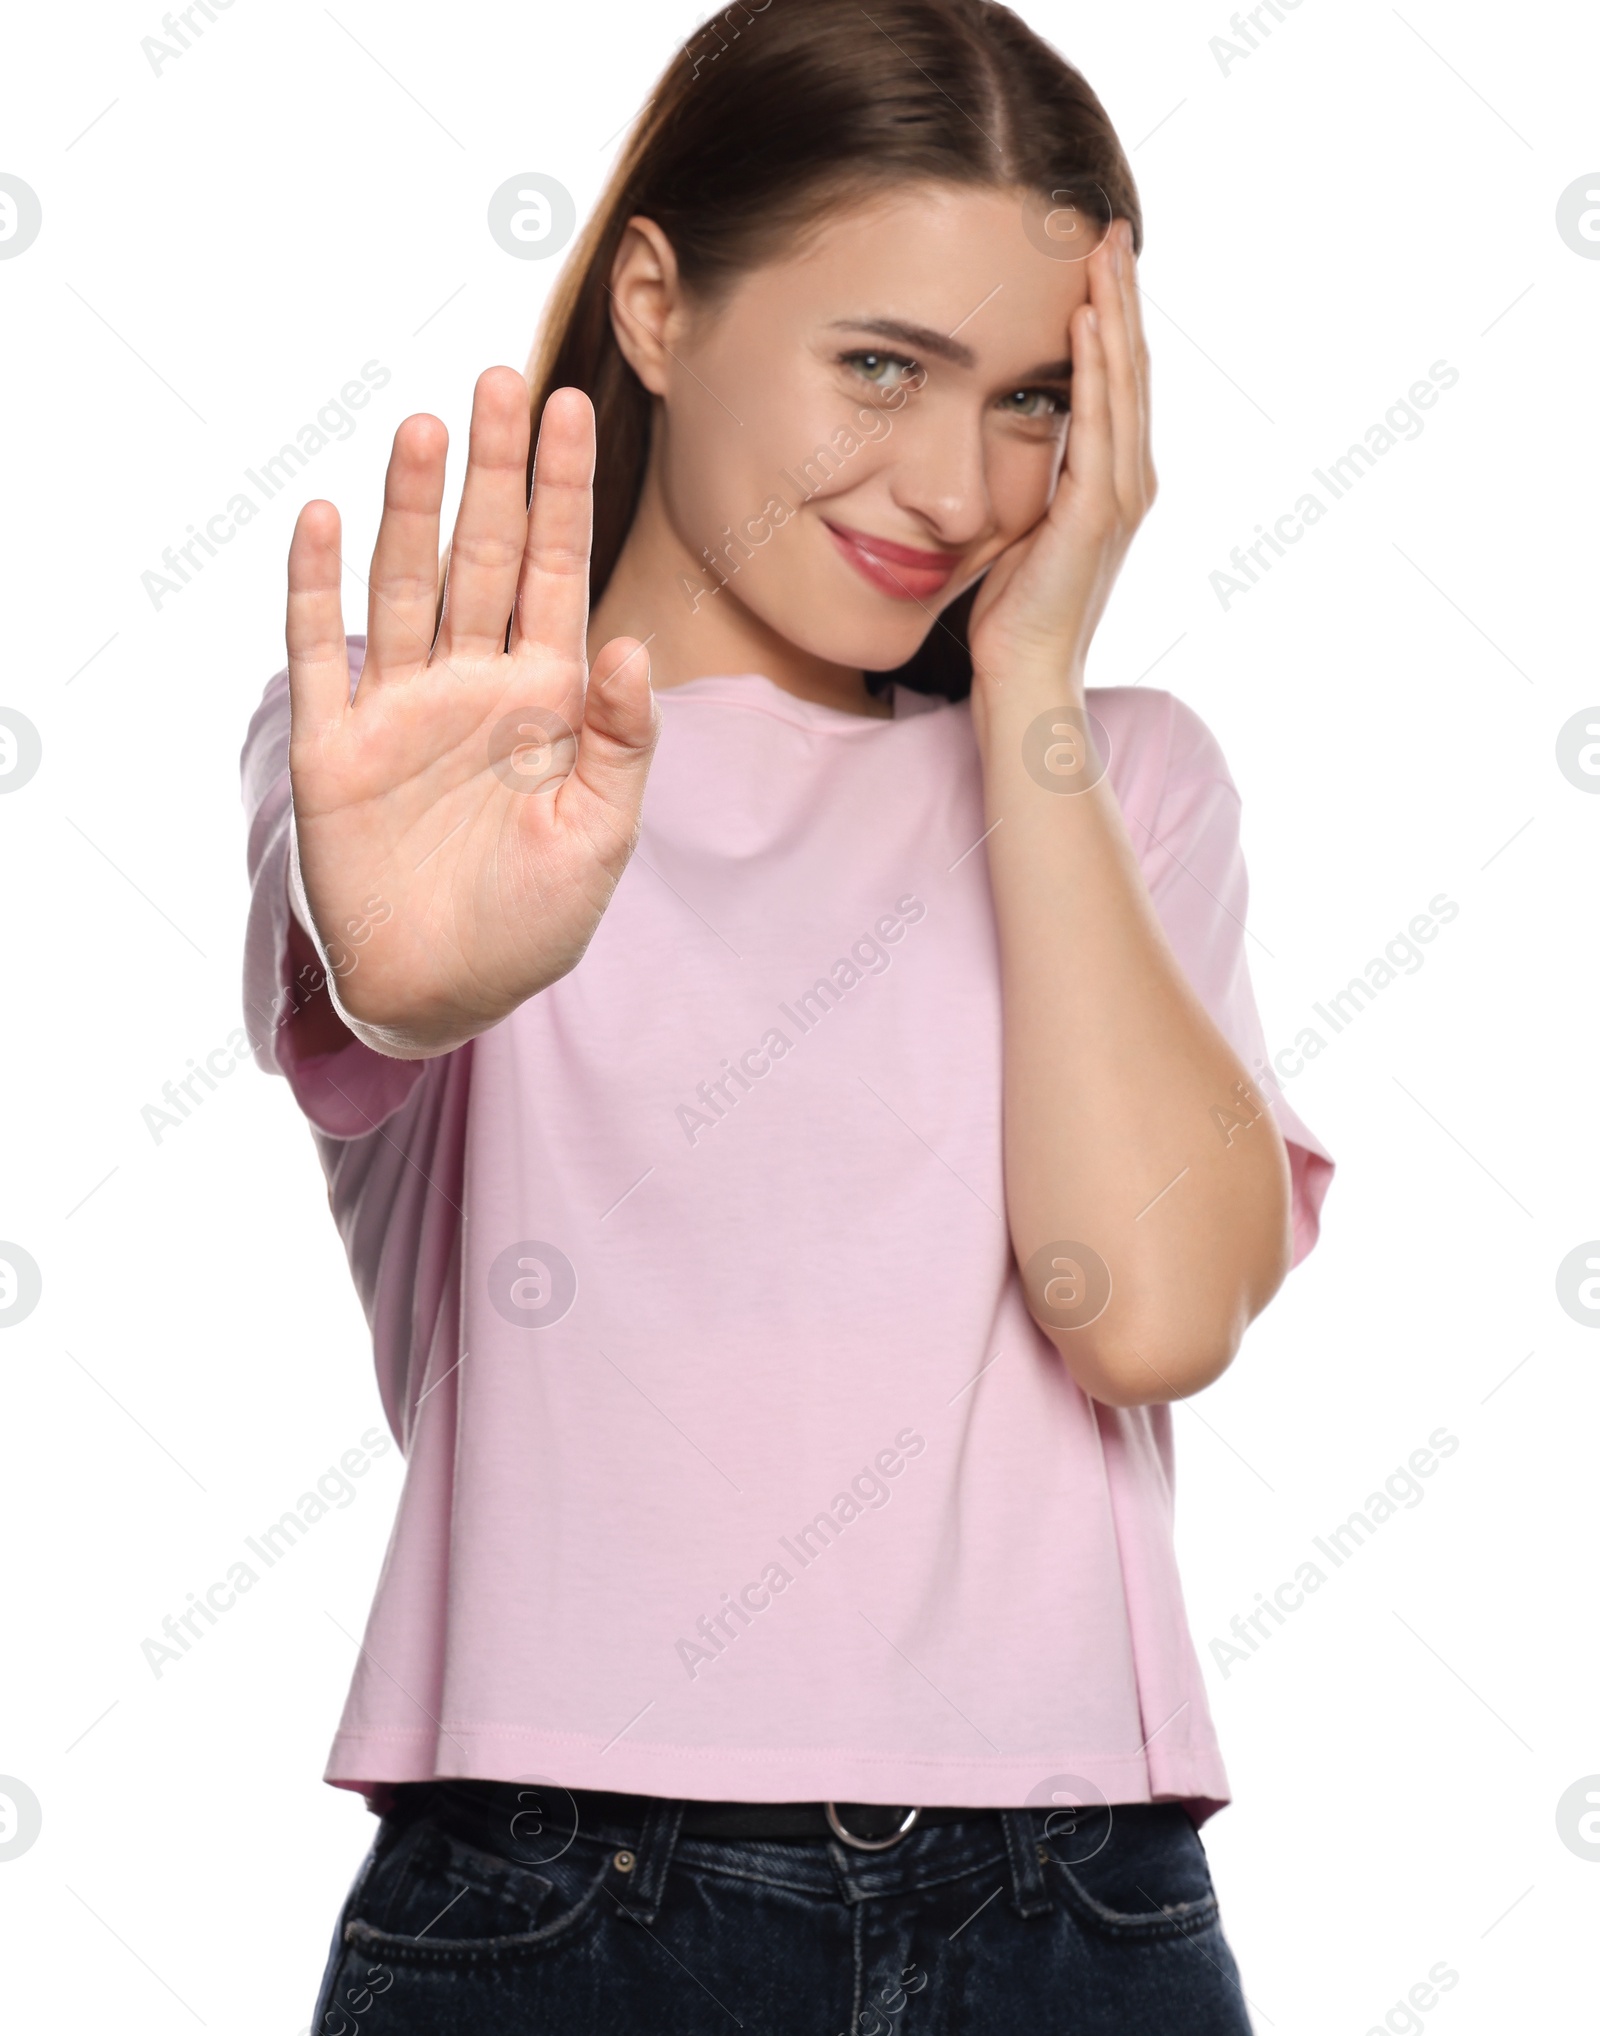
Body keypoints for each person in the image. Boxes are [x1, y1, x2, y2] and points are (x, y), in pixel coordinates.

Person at [240, 1, 1336, 2028]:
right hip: (560, 1904)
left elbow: (1152, 1314)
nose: (950, 481)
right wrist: (398, 974)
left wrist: (1026, 699)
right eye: (876, 366)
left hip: (1067, 1905)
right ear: (653, 304)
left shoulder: (1122, 778)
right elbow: (392, 978)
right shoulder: (429, 768)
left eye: (1026, 401)